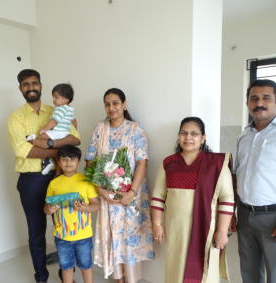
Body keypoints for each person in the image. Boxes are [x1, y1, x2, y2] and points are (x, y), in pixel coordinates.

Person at [8, 69, 80, 283]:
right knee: (37, 232)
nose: (31, 87)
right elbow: (24, 150)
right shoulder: (16, 117)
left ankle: (65, 276)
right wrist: (58, 150)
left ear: (40, 85)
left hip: (59, 178)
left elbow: (75, 140)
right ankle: (41, 277)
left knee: (65, 229)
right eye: (26, 84)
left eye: (34, 83)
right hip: (31, 181)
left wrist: (49, 144)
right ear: (20, 88)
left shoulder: (58, 108)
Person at [84, 88, 158, 283]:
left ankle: (131, 280)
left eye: (115, 103)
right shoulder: (99, 129)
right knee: (112, 239)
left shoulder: (135, 129)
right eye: (107, 104)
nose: (111, 107)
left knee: (129, 239)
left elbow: (142, 162)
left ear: (124, 104)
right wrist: (100, 190)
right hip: (107, 195)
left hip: (131, 196)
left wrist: (131, 192)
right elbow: (90, 162)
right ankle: (118, 280)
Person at [151, 117, 234, 283]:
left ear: (203, 137)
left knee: (205, 272)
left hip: (207, 228)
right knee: (176, 269)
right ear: (179, 136)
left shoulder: (216, 164)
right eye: (184, 133)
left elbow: (227, 198)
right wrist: (157, 225)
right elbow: (159, 196)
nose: (188, 137)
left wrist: (222, 231)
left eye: (194, 133)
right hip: (176, 230)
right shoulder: (169, 163)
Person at [229, 79, 276, 283]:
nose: (259, 103)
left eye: (266, 98)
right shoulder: (243, 136)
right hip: (245, 214)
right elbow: (235, 174)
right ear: (247, 103)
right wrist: (231, 211)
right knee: (248, 270)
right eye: (254, 98)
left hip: (272, 216)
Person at [44, 145, 100, 283]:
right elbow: (46, 208)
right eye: (64, 159)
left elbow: (97, 205)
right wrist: (49, 210)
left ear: (79, 162)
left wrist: (85, 208)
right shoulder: (54, 184)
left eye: (72, 159)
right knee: (66, 266)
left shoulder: (86, 182)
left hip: (83, 235)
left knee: (86, 265)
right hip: (61, 235)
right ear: (59, 162)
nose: (68, 162)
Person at [37, 83, 77, 175]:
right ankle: (58, 174)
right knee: (58, 154)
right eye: (53, 97)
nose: (53, 100)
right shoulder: (70, 109)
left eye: (56, 97)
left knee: (39, 140)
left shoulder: (60, 108)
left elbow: (54, 121)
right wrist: (74, 130)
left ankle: (45, 160)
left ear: (66, 99)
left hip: (57, 132)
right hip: (65, 133)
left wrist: (44, 129)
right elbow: (74, 121)